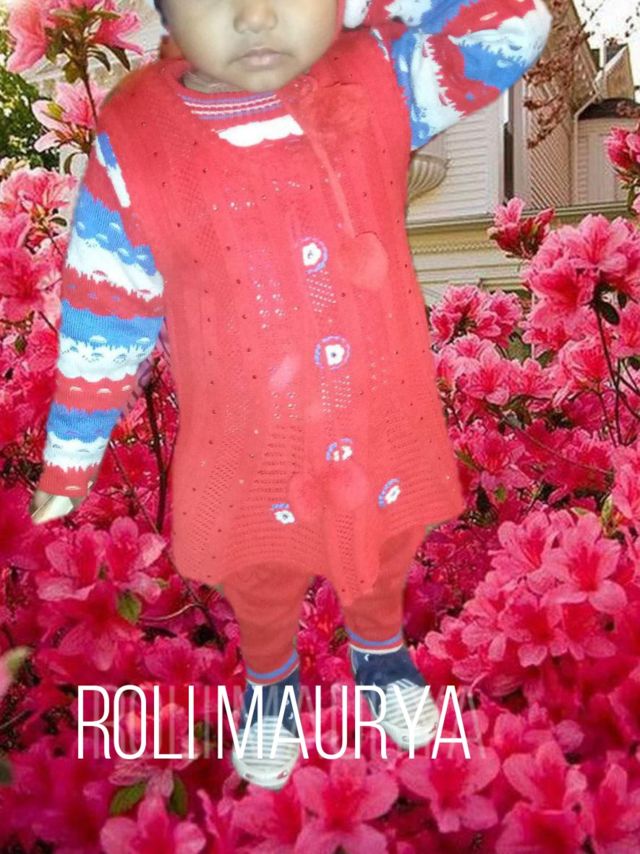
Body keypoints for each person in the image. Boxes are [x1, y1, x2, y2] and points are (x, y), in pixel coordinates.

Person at [29, 0, 552, 789]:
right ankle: (272, 685)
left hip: (377, 423)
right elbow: (108, 304)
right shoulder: (138, 139)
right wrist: (73, 454)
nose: (256, 16)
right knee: (261, 578)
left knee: (383, 552)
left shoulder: (381, 77)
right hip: (247, 448)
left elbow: (512, 26)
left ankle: (381, 656)